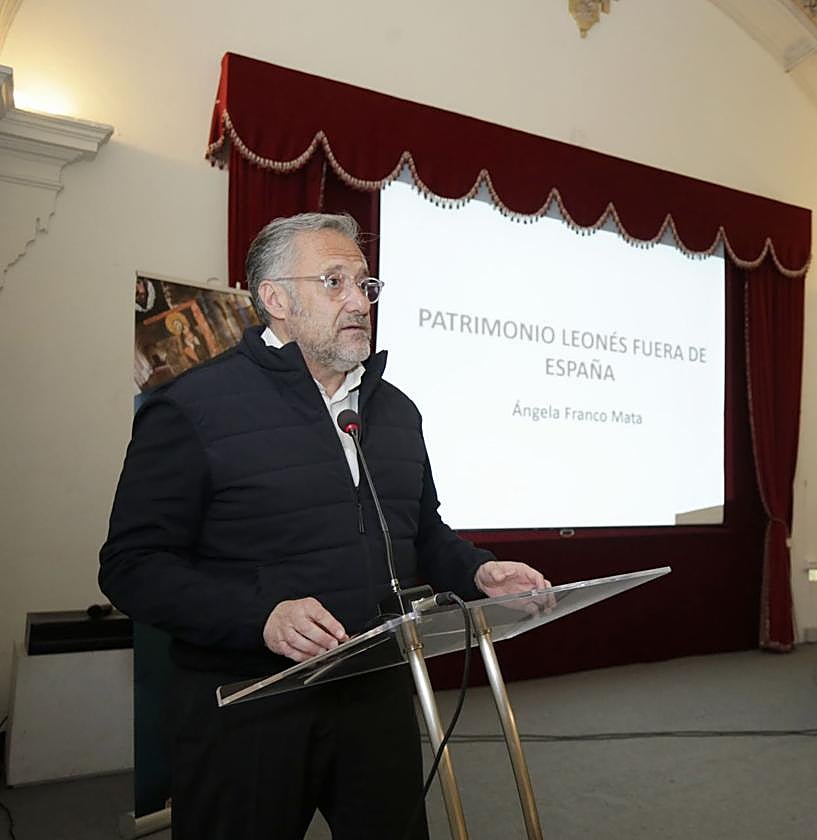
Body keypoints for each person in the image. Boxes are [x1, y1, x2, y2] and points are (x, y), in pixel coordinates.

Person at [99, 212, 549, 840]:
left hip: (377, 694)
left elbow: (420, 534)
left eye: (365, 285)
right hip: (249, 707)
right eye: (333, 281)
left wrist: (476, 568)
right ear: (275, 299)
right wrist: (261, 615)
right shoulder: (193, 408)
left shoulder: (395, 412)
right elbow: (132, 567)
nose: (358, 301)